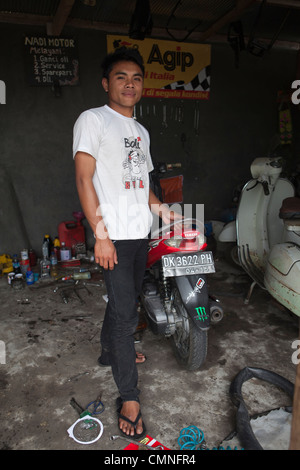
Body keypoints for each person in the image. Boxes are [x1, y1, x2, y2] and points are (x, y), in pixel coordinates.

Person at [73, 47, 181, 439]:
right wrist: (100, 235)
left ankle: (108, 354)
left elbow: (145, 185)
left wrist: (164, 211)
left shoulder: (141, 131)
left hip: (139, 234)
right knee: (124, 319)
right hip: (113, 233)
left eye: (136, 78)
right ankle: (130, 397)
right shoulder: (93, 120)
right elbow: (85, 179)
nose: (129, 84)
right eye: (121, 77)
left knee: (126, 301)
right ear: (107, 83)